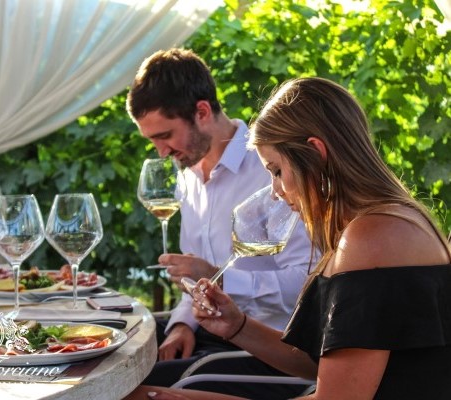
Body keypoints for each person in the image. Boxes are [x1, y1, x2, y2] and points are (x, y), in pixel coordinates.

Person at [124, 77, 451, 400]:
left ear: (315, 154)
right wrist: (238, 326)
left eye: (277, 171)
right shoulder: (393, 221)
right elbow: (322, 364)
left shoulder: (370, 239)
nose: (276, 192)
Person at [126, 48, 314, 399]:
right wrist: (184, 323)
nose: (161, 152)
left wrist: (220, 277)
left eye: (165, 135)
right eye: (152, 140)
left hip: (272, 347)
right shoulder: (189, 178)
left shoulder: (272, 173)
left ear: (201, 111)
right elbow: (194, 276)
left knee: (128, 386)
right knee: (114, 350)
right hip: (210, 330)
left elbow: (305, 285)